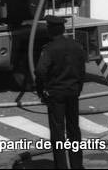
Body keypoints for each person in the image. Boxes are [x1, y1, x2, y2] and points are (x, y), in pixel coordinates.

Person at [35, 15, 86, 169]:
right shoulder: (77, 46)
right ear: (63, 29)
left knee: (58, 133)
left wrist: (41, 92)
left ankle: (61, 166)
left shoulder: (49, 49)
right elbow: (82, 72)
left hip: (56, 95)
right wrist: (77, 89)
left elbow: (40, 71)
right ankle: (77, 165)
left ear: (50, 31)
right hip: (73, 93)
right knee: (74, 131)